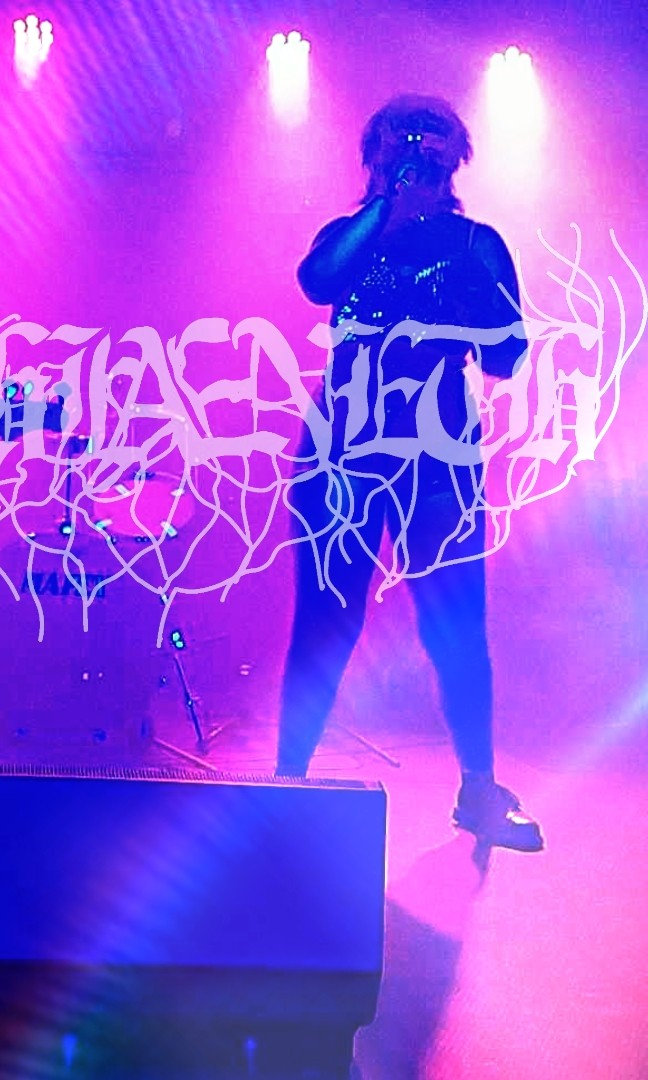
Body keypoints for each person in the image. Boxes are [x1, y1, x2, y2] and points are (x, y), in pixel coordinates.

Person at [276, 95, 543, 852]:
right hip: (342, 449)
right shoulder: (348, 236)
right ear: (375, 158)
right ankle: (285, 784)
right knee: (325, 619)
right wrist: (384, 204)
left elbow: (506, 356)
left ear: (452, 163)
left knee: (455, 625)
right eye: (401, 150)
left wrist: (474, 300)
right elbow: (318, 281)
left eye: (429, 153)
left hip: (437, 456)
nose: (416, 161)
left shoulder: (476, 244)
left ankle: (478, 789)